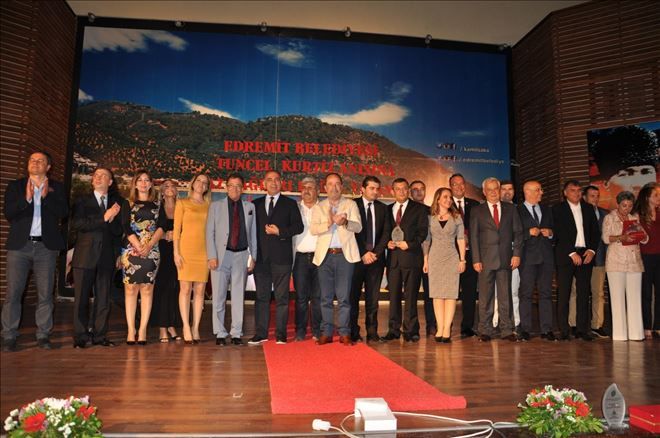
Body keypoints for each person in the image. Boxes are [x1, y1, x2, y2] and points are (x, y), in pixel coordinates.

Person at [2, 151, 68, 352]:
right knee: (13, 293)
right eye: (32, 160)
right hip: (19, 247)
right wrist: (27, 199)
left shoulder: (57, 187)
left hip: (45, 248)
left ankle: (43, 334)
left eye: (40, 161)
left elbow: (64, 212)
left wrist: (46, 197)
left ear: (48, 167)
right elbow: (9, 213)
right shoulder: (16, 186)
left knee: (45, 294)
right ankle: (9, 335)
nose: (35, 163)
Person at [249, 170, 303, 345]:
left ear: (281, 183)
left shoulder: (290, 204)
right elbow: (250, 231)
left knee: (282, 299)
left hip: (282, 259)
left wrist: (280, 232)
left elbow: (299, 227)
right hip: (261, 259)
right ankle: (261, 333)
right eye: (270, 180)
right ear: (264, 183)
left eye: (277, 180)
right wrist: (251, 256)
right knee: (261, 297)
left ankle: (281, 334)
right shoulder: (255, 204)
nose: (273, 183)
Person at [70, 167, 123, 348]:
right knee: (81, 299)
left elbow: (118, 231)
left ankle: (100, 336)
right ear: (92, 180)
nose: (99, 177)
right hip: (85, 256)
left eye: (103, 175)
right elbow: (78, 224)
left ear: (110, 182)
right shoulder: (82, 201)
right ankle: (81, 337)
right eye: (96, 175)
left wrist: (118, 254)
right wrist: (104, 218)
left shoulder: (117, 204)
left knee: (103, 299)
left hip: (107, 257)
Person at [311, 173, 362, 345]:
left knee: (344, 298)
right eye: (330, 184)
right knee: (325, 297)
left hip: (344, 257)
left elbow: (358, 227)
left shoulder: (350, 204)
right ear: (325, 187)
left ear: (342, 186)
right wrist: (329, 222)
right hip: (325, 256)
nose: (334, 187)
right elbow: (313, 229)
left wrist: (344, 222)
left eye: (337, 184)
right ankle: (326, 332)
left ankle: (344, 332)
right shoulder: (319, 207)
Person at [206, 173, 257, 346]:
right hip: (221, 256)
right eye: (231, 185)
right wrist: (212, 255)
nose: (234, 189)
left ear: (243, 189)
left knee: (238, 296)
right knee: (219, 296)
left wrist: (253, 256)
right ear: (226, 187)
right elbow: (209, 233)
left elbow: (253, 234)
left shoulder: (250, 207)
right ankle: (220, 332)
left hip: (241, 256)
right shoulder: (215, 206)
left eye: (238, 186)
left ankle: (236, 332)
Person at [470, 177, 523, 342]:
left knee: (505, 296)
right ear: (484, 192)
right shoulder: (477, 211)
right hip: (485, 260)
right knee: (485, 297)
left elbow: (518, 233)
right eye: (489, 189)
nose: (493, 192)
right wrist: (476, 259)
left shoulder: (511, 209)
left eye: (496, 189)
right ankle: (485, 330)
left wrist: (517, 254)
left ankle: (507, 329)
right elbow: (473, 237)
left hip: (506, 259)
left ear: (499, 191)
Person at [552, 180, 600, 341]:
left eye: (579, 190)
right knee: (564, 294)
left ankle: (581, 330)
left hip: (585, 254)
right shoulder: (557, 209)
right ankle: (564, 330)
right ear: (565, 193)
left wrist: (592, 250)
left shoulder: (588, 208)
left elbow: (595, 232)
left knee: (584, 294)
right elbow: (559, 233)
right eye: (573, 190)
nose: (577, 193)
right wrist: (571, 253)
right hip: (566, 255)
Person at [383, 178, 428, 343]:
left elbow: (422, 233)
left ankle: (411, 330)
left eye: (404, 189)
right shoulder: (388, 209)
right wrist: (387, 242)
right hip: (393, 260)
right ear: (392, 191)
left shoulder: (419, 209)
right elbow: (385, 232)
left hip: (412, 258)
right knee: (393, 296)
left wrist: (409, 244)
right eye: (398, 189)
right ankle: (393, 329)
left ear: (408, 190)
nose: (401, 192)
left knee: (411, 297)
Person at [121, 171, 163, 345]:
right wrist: (138, 245)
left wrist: (149, 245)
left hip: (151, 251)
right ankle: (131, 330)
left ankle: (143, 329)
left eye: (147, 180)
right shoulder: (127, 203)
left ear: (151, 184)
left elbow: (162, 226)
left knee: (147, 289)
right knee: (131, 290)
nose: (144, 183)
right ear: (135, 183)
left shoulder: (158, 203)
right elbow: (125, 226)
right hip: (131, 249)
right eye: (140, 180)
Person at [602, 191, 648, 341]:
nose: (627, 208)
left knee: (635, 298)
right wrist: (621, 237)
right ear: (618, 204)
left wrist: (642, 236)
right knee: (617, 299)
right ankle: (620, 335)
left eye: (629, 206)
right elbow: (606, 238)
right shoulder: (609, 218)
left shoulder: (634, 218)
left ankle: (636, 333)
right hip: (616, 262)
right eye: (624, 205)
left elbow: (645, 239)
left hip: (634, 262)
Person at [350, 176, 391, 343]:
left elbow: (386, 233)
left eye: (377, 188)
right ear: (363, 189)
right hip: (356, 259)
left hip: (376, 260)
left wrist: (375, 253)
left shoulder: (383, 208)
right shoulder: (352, 205)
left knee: (373, 299)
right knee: (353, 297)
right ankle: (353, 331)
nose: (375, 191)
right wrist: (363, 252)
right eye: (371, 188)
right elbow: (351, 232)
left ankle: (372, 332)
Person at [422, 187, 466, 343]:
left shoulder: (456, 217)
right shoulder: (430, 218)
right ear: (438, 199)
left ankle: (447, 329)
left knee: (450, 294)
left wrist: (462, 260)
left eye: (450, 197)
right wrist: (425, 260)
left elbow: (461, 239)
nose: (449, 200)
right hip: (434, 259)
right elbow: (426, 241)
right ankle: (440, 327)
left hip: (451, 258)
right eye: (445, 197)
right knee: (437, 295)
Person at [173, 173, 211, 344]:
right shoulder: (182, 203)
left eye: (205, 182)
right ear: (193, 183)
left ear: (207, 187)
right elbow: (176, 231)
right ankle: (186, 326)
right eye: (199, 181)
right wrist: (176, 252)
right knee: (185, 289)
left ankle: (195, 327)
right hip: (186, 251)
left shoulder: (210, 206)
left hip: (204, 252)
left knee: (200, 291)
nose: (202, 184)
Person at [568, 186, 609, 338]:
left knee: (598, 293)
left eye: (597, 196)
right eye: (592, 196)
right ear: (584, 197)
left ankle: (597, 325)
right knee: (575, 291)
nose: (595, 199)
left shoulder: (605, 213)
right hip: (581, 258)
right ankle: (574, 324)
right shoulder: (577, 211)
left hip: (599, 258)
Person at [517, 181, 555, 341]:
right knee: (526, 294)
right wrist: (528, 233)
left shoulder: (547, 209)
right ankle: (525, 329)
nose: (541, 192)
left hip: (546, 257)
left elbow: (556, 230)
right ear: (528, 192)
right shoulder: (517, 210)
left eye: (541, 190)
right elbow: (513, 233)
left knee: (546, 293)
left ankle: (547, 329)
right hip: (527, 258)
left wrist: (551, 233)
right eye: (538, 190)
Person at [150, 179, 182, 343]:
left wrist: (176, 235)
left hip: (179, 252)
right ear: (162, 191)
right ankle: (162, 327)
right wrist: (163, 235)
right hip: (160, 250)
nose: (170, 188)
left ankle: (171, 325)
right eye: (166, 186)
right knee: (162, 288)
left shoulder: (182, 206)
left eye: (172, 186)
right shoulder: (156, 208)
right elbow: (148, 229)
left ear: (176, 190)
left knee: (175, 288)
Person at [449, 173, 480, 338]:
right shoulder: (445, 204)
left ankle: (467, 326)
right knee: (449, 293)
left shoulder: (474, 205)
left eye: (462, 184)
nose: (459, 187)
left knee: (469, 293)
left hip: (471, 255)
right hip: (451, 255)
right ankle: (446, 326)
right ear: (450, 187)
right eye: (455, 184)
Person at [292, 177, 322, 341]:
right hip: (300, 258)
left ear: (318, 191)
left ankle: (317, 330)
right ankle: (300, 331)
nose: (307, 190)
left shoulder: (324, 208)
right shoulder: (294, 208)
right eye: (304, 187)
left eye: (311, 187)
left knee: (318, 297)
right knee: (301, 297)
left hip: (320, 257)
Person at [410, 180, 436, 336]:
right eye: (415, 189)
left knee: (430, 293)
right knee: (411, 294)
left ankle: (431, 325)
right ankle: (412, 328)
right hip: (411, 256)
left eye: (422, 189)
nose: (419, 192)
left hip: (430, 256)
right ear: (410, 192)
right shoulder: (406, 211)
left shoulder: (432, 211)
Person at [493, 180, 520, 332]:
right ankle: (495, 323)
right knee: (495, 293)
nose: (507, 192)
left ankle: (515, 322)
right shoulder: (489, 209)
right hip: (494, 257)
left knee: (513, 291)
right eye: (504, 189)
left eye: (510, 189)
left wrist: (516, 254)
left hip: (513, 256)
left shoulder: (518, 209)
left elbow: (519, 233)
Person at [634, 183, 659, 339]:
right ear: (647, 197)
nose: (658, 198)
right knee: (646, 293)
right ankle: (647, 326)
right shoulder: (637, 215)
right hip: (645, 257)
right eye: (655, 195)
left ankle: (658, 326)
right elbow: (635, 238)